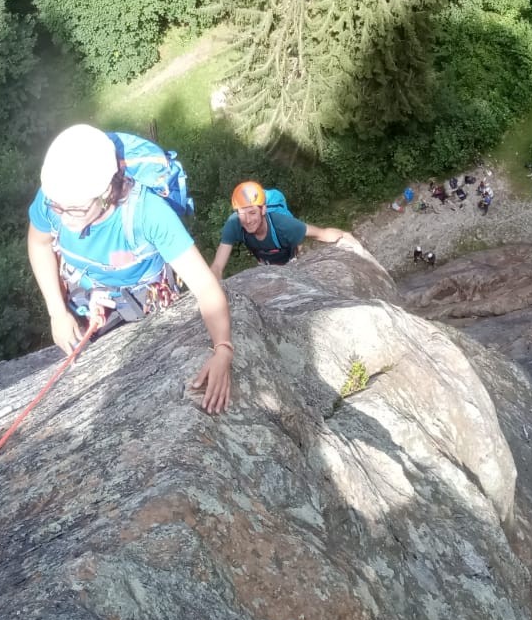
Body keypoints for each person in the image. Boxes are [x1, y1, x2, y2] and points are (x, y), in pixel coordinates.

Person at [26, 124, 233, 414]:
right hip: (87, 292)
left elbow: (205, 286)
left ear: (106, 193)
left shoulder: (148, 214)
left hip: (146, 294)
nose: (66, 220)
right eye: (58, 209)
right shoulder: (58, 197)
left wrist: (222, 348)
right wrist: (57, 313)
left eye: (76, 210)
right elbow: (39, 243)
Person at [209, 181, 363, 274]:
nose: (248, 220)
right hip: (265, 261)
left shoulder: (283, 224)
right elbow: (217, 266)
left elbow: (320, 234)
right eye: (242, 214)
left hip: (289, 257)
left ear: (263, 210)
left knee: (296, 246)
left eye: (252, 213)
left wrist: (344, 235)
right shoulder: (234, 223)